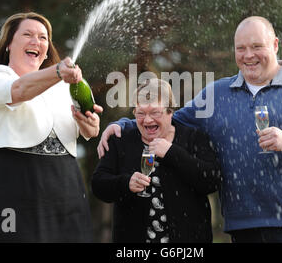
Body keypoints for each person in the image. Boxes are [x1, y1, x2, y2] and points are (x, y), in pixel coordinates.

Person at [97, 16, 282, 243]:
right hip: (244, 226)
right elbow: (170, 118)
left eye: (257, 46)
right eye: (241, 48)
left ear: (275, 45)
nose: (248, 55)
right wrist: (125, 124)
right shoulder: (216, 95)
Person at [0, 12, 102, 242]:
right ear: (8, 45)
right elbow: (18, 91)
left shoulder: (68, 85)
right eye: (28, 34)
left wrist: (91, 124)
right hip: (15, 185)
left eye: (43, 38)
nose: (37, 41)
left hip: (67, 186)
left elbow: (91, 129)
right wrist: (56, 72)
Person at [91, 78, 221, 243]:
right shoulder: (121, 140)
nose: (147, 120)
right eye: (141, 113)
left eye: (155, 113)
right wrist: (125, 183)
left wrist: (172, 153)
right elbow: (98, 184)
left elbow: (212, 180)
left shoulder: (194, 138)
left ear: (170, 112)